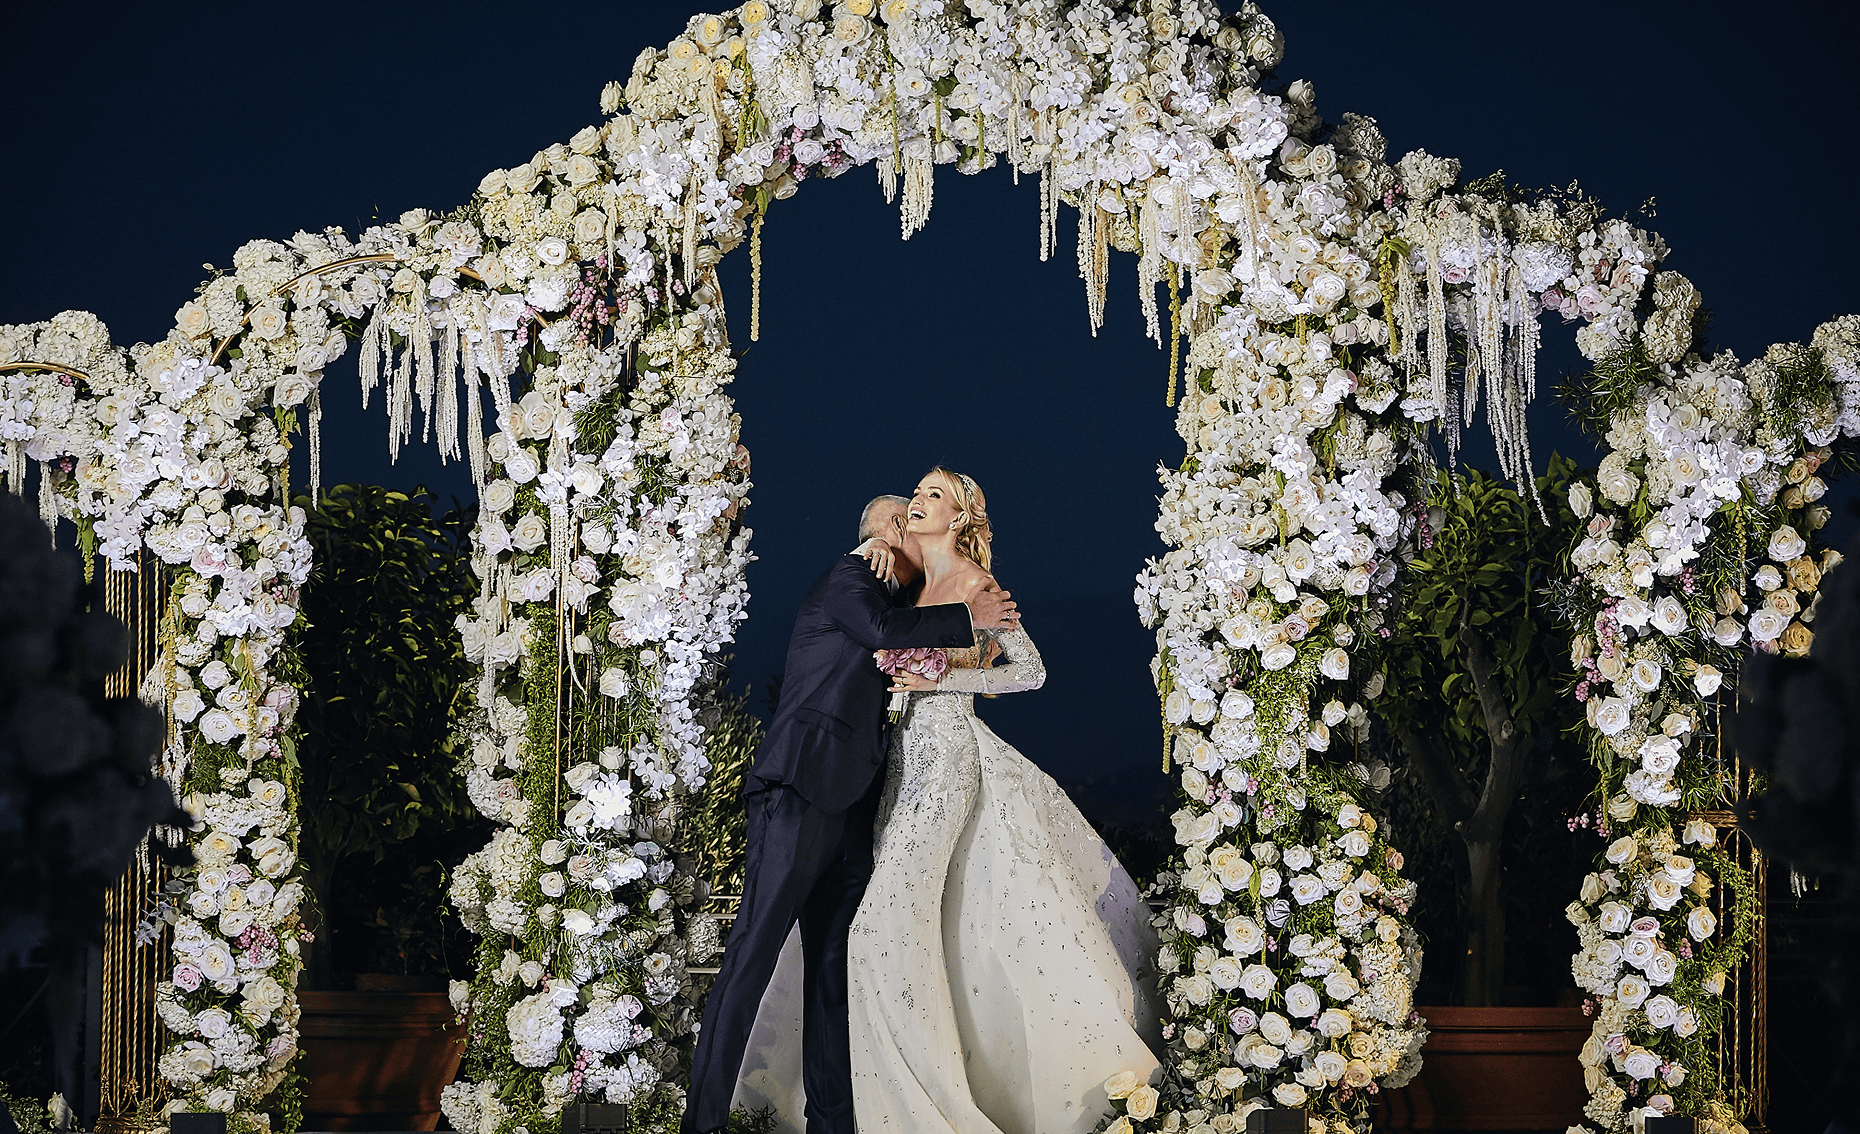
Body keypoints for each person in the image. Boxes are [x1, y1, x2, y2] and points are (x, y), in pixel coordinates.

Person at [683, 494, 1019, 1134]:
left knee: (833, 974)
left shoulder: (898, 598)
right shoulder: (849, 577)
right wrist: (963, 612)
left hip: (856, 807)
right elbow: (887, 637)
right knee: (751, 956)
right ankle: (701, 1124)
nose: (909, 524)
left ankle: (831, 1124)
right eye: (899, 519)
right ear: (875, 535)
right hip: (799, 791)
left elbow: (917, 647)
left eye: (916, 514)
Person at [844, 468, 1161, 1134]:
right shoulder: (910, 590)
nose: (919, 502)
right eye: (918, 494)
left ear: (960, 517)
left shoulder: (975, 585)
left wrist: (950, 676)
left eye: (933, 495)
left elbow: (1032, 671)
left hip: (948, 759)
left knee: (878, 926)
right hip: (898, 764)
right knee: (927, 928)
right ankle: (931, 1087)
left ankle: (927, 1109)